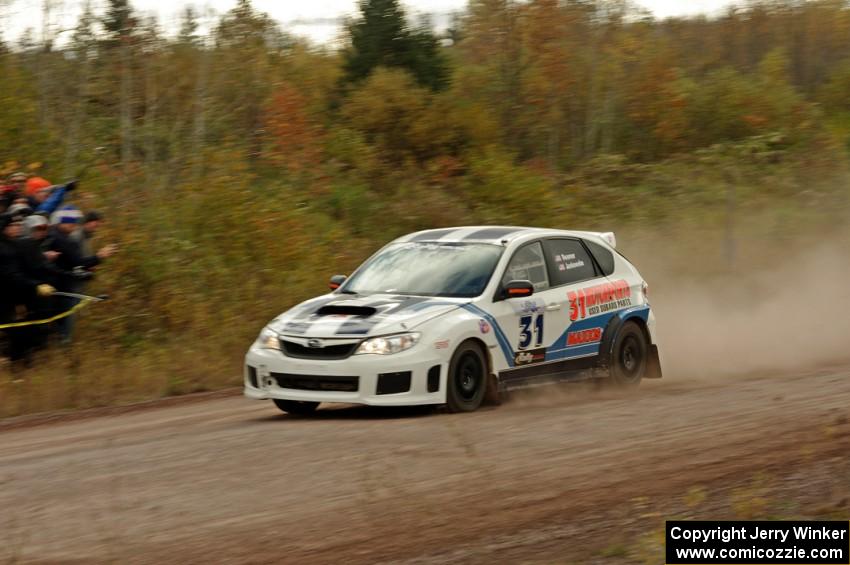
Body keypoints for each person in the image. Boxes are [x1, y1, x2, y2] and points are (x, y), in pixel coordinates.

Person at [48, 205, 116, 343]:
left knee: (68, 317)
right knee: (65, 320)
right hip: (66, 285)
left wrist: (89, 268)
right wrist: (99, 257)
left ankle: (63, 343)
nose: (97, 227)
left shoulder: (83, 237)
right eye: (96, 223)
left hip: (72, 283)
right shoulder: (73, 237)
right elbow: (76, 261)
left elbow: (78, 260)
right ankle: (62, 345)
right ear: (89, 221)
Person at [0, 212, 56, 370]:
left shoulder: (14, 244)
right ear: (4, 228)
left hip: (12, 297)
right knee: (16, 330)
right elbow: (12, 276)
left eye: (18, 224)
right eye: (12, 225)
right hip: (3, 298)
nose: (17, 227)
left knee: (21, 329)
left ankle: (20, 363)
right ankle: (16, 364)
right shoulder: (4, 249)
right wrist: (36, 285)